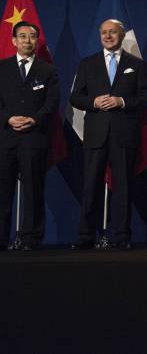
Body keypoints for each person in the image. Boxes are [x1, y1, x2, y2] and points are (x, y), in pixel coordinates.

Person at [70, 19, 147, 250]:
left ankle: (122, 236)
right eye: (104, 33)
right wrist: (93, 101)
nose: (107, 36)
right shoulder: (88, 64)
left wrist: (122, 101)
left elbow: (146, 98)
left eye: (112, 32)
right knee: (90, 186)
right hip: (96, 134)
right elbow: (75, 97)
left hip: (124, 134)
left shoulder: (135, 64)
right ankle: (86, 236)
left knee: (124, 187)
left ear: (121, 35)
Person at [0, 21, 59, 251]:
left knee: (33, 190)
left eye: (32, 36)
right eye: (22, 36)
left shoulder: (48, 70)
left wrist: (34, 119)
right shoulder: (2, 68)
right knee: (3, 190)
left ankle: (30, 239)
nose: (27, 40)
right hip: (6, 137)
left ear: (37, 41)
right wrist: (7, 119)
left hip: (34, 138)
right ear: (14, 41)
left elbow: (52, 102)